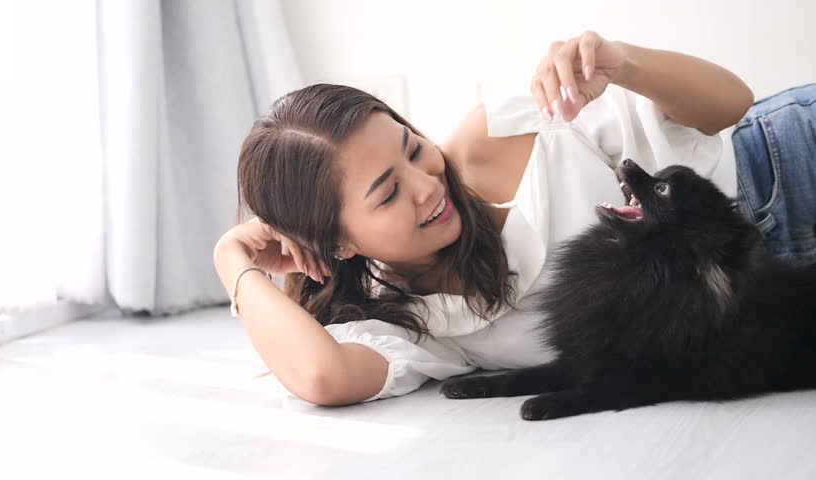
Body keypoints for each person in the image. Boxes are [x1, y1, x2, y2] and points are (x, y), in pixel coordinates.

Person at [213, 30, 816, 406]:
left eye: (413, 148)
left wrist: (624, 61)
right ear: (340, 244)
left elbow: (731, 106)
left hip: (779, 165)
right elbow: (321, 378)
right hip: (781, 322)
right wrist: (232, 260)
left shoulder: (493, 136)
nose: (428, 186)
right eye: (388, 194)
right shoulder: (410, 321)